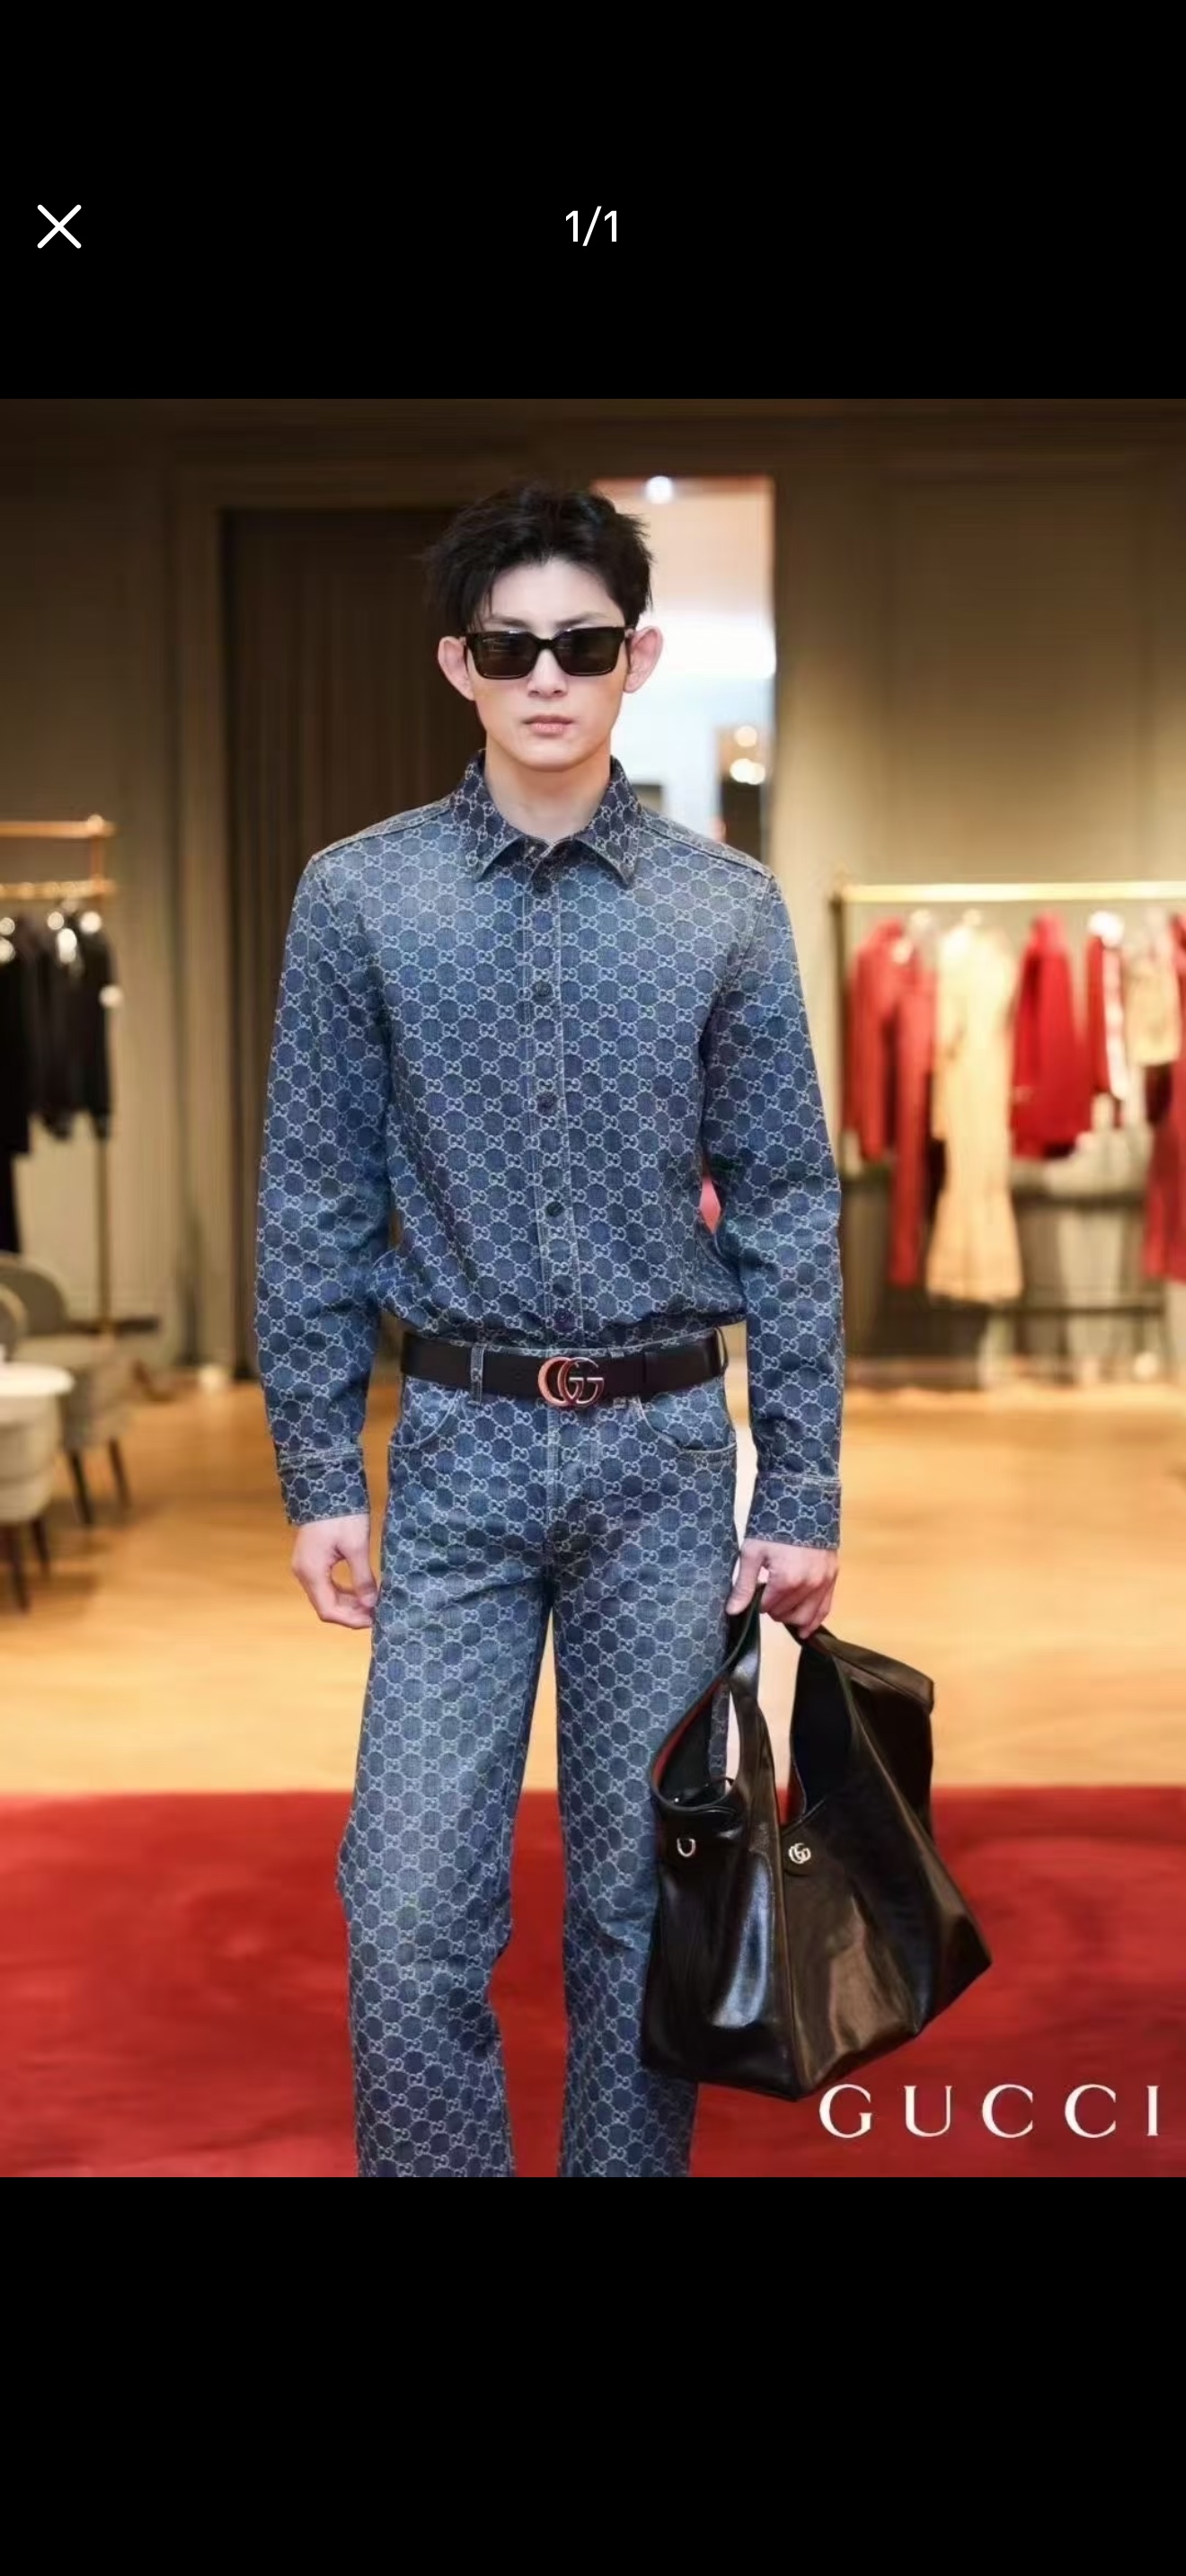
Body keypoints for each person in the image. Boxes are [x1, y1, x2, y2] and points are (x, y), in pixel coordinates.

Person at [255, 482, 844, 2179]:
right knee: (408, 1905)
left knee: (638, 1908)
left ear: (635, 658)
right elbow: (315, 1196)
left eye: (581, 646)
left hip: (666, 1462)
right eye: (510, 648)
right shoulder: (360, 899)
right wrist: (319, 1467)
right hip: (458, 1453)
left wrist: (801, 1485)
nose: (546, 679)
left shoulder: (723, 910)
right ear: (459, 663)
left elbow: (787, 1201)